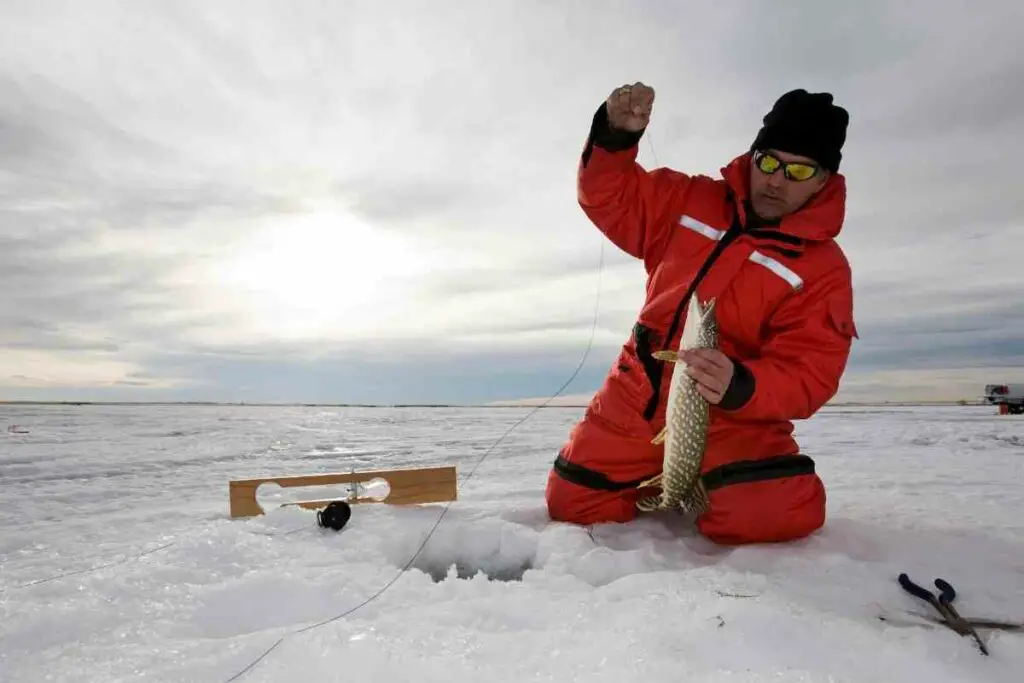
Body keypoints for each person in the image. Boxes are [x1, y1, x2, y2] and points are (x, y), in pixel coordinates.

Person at [545, 83, 858, 545]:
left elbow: (810, 374)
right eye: (768, 162)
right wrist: (614, 137)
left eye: (798, 170)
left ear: (823, 180)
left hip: (735, 418)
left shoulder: (823, 269)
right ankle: (660, 479)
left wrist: (741, 385)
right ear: (752, 157)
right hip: (639, 391)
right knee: (571, 503)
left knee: (776, 513)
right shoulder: (687, 199)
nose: (776, 180)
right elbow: (608, 197)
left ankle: (707, 482)